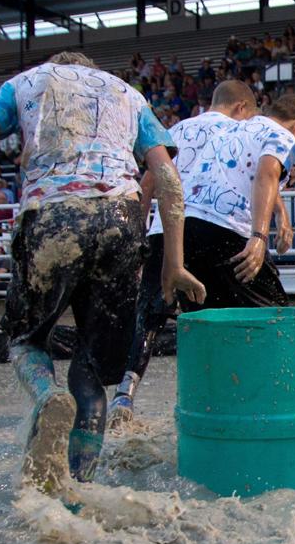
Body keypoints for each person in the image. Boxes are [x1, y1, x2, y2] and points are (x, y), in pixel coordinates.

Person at [0, 51, 203, 495]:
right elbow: (169, 179)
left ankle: (47, 396)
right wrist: (173, 264)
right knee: (93, 369)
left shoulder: (27, 82)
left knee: (25, 338)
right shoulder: (128, 94)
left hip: (53, 216)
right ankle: (79, 487)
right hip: (121, 218)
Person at [109, 80, 280, 427]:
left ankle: (125, 392)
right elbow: (265, 174)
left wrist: (141, 238)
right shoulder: (246, 129)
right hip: (222, 226)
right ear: (241, 107)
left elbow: (146, 186)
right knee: (267, 309)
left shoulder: (175, 130)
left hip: (166, 231)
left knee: (151, 313)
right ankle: (266, 393)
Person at [164, 92, 295, 308]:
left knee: (206, 315)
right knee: (272, 314)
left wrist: (281, 212)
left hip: (187, 227)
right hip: (227, 228)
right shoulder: (283, 136)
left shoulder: (232, 129)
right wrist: (259, 236)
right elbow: (267, 174)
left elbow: (248, 171)